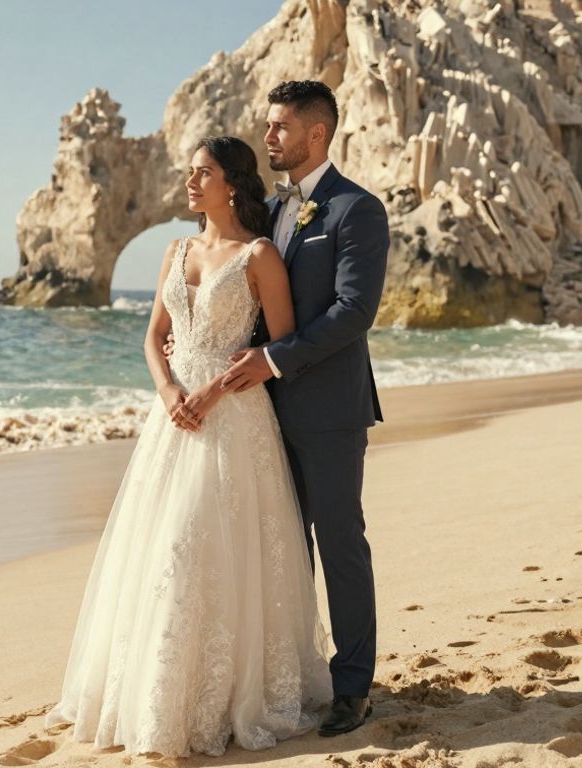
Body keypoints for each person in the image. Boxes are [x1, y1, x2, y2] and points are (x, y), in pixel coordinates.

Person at [44, 136, 332, 757]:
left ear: (231, 183)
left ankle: (220, 696)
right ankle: (153, 695)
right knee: (158, 550)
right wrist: (170, 387)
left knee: (206, 546)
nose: (190, 182)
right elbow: (153, 337)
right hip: (172, 419)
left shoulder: (259, 256)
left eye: (202, 172)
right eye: (189, 172)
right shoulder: (175, 250)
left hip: (234, 418)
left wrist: (210, 392)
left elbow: (278, 349)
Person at [218, 79, 390, 737]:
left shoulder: (356, 210)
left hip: (330, 409)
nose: (269, 139)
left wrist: (274, 360)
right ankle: (294, 678)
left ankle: (352, 688)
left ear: (316, 134)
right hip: (264, 413)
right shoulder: (272, 209)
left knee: (339, 542)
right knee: (284, 547)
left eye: (280, 128)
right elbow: (258, 299)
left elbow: (355, 311)